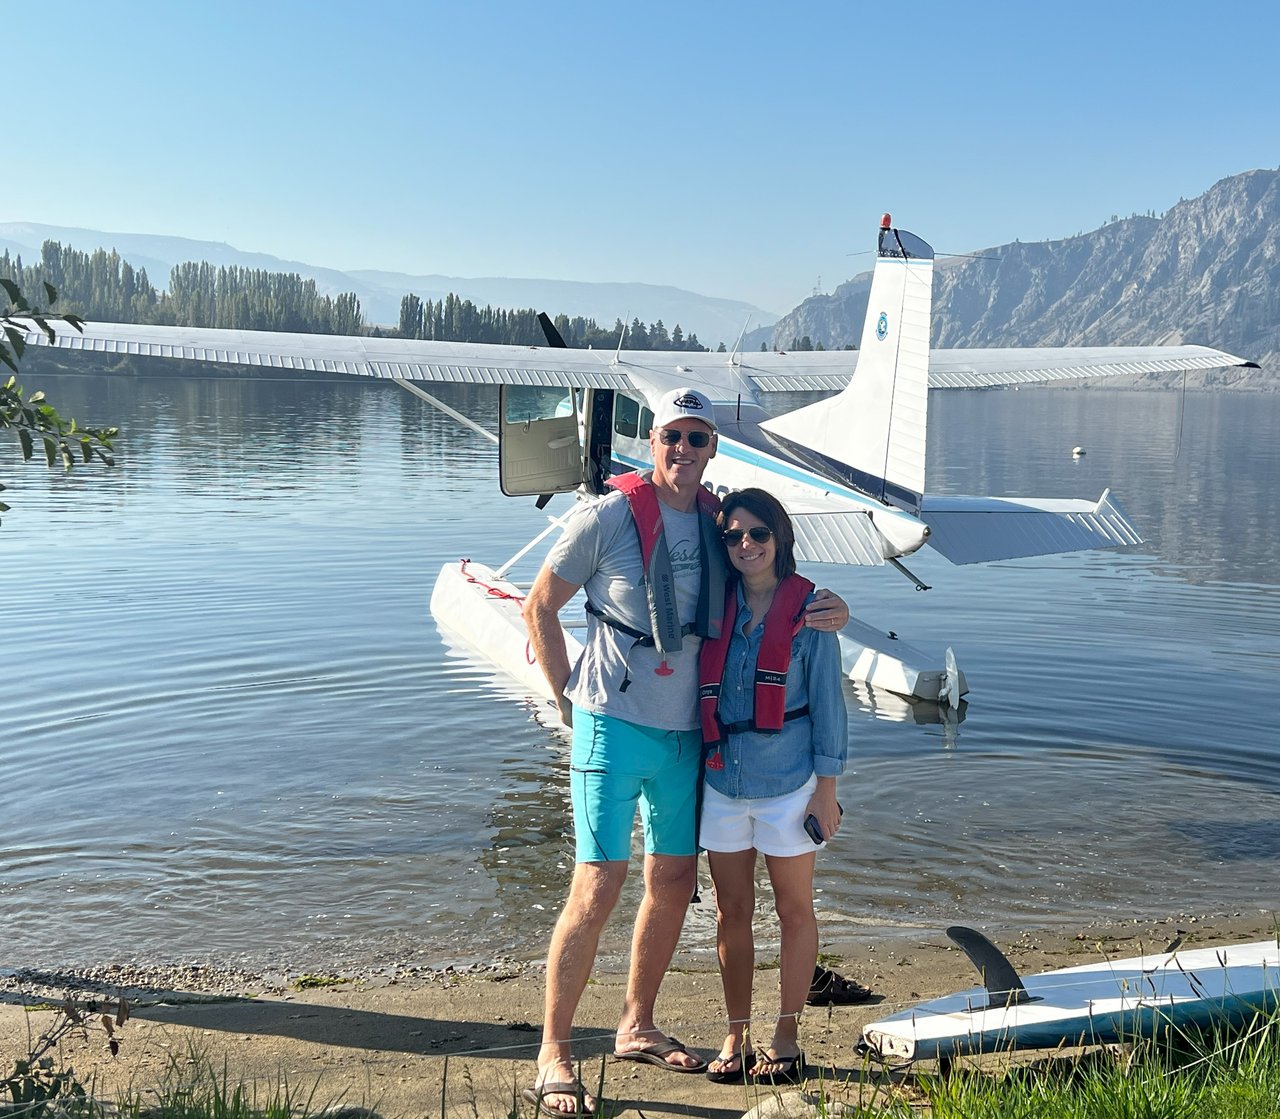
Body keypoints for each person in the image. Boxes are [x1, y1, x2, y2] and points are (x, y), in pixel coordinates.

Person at [520, 388, 850, 1117]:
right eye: (673, 436)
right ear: (653, 437)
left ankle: (635, 1023)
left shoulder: (718, 523)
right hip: (611, 722)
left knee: (672, 883)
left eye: (698, 439)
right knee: (598, 885)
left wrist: (837, 607)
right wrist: (567, 697)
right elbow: (538, 604)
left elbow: (776, 586)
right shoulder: (606, 514)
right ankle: (554, 1050)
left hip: (685, 743)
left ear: (712, 449)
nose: (684, 451)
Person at [698, 487, 847, 1087]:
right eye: (733, 536)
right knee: (731, 911)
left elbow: (831, 708)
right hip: (721, 783)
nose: (746, 545)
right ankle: (736, 1031)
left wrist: (826, 790)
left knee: (793, 910)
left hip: (790, 784)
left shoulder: (812, 611)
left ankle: (785, 1031)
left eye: (758, 533)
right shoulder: (714, 603)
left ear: (779, 537)